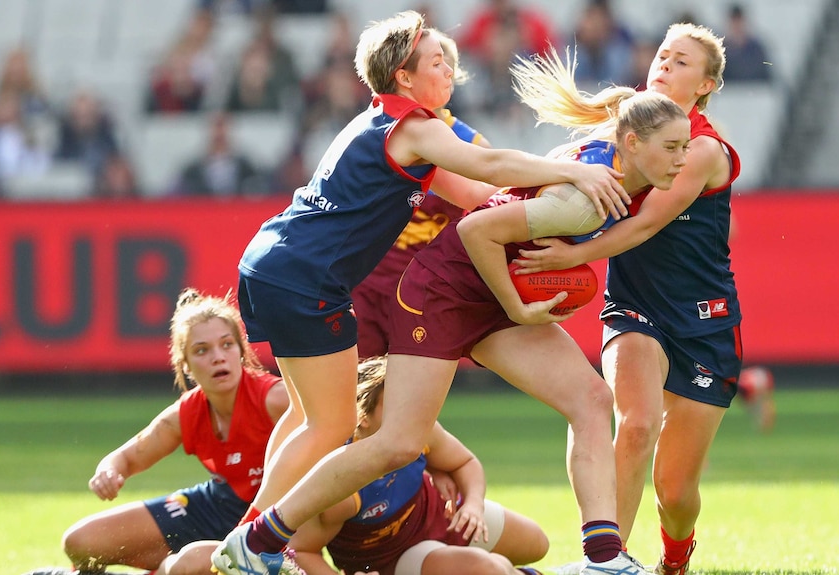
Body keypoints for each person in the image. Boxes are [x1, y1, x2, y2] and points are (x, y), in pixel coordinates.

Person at [210, 40, 690, 575]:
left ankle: (604, 559)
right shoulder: (571, 189)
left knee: (591, 399)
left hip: (479, 288)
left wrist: (550, 256)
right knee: (395, 442)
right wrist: (521, 304)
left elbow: (479, 189)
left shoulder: (613, 159)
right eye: (673, 147)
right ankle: (259, 538)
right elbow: (478, 223)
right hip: (439, 293)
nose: (685, 159)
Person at [512, 23, 742, 575]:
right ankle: (607, 563)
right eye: (662, 54)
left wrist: (566, 259)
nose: (663, 64)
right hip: (635, 307)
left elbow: (642, 227)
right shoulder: (624, 132)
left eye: (681, 61)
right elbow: (562, 180)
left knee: (677, 491)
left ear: (705, 85)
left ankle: (676, 553)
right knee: (635, 425)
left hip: (705, 321)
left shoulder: (705, 148)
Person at [52, 288, 289, 575]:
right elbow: (126, 458)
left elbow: (333, 435)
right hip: (217, 505)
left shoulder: (275, 398)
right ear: (185, 365)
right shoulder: (187, 412)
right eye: (202, 350)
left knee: (185, 565)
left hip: (270, 517)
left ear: (241, 350)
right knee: (81, 541)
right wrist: (108, 471)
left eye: (227, 345)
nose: (218, 357)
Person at [289, 355, 550, 575]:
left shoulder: (417, 427)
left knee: (538, 543)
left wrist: (472, 504)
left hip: (442, 515)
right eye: (394, 401)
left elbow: (465, 462)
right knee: (491, 568)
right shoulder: (341, 480)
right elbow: (300, 550)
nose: (409, 410)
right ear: (362, 416)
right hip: (397, 556)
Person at [351, 28, 491, 359]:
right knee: (355, 395)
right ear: (406, 77)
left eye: (446, 66)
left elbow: (486, 204)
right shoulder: (384, 129)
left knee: (407, 398)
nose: (444, 73)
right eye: (435, 63)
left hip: (419, 290)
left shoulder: (470, 145)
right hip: (366, 284)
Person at [721, 4, 772, 83]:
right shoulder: (721, 50)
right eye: (734, 22)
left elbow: (767, 75)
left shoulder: (757, 49)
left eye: (739, 22)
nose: (737, 27)